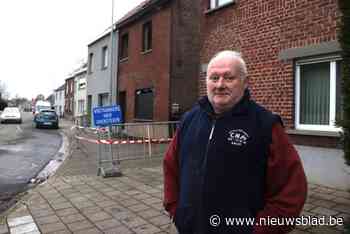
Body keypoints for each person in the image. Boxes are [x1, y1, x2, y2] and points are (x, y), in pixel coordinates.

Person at [163, 50, 307, 234]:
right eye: (213, 78)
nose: (220, 85)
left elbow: (291, 189)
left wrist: (260, 231)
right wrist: (175, 209)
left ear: (245, 82)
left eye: (229, 78)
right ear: (206, 81)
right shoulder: (189, 120)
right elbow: (170, 166)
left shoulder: (265, 125)